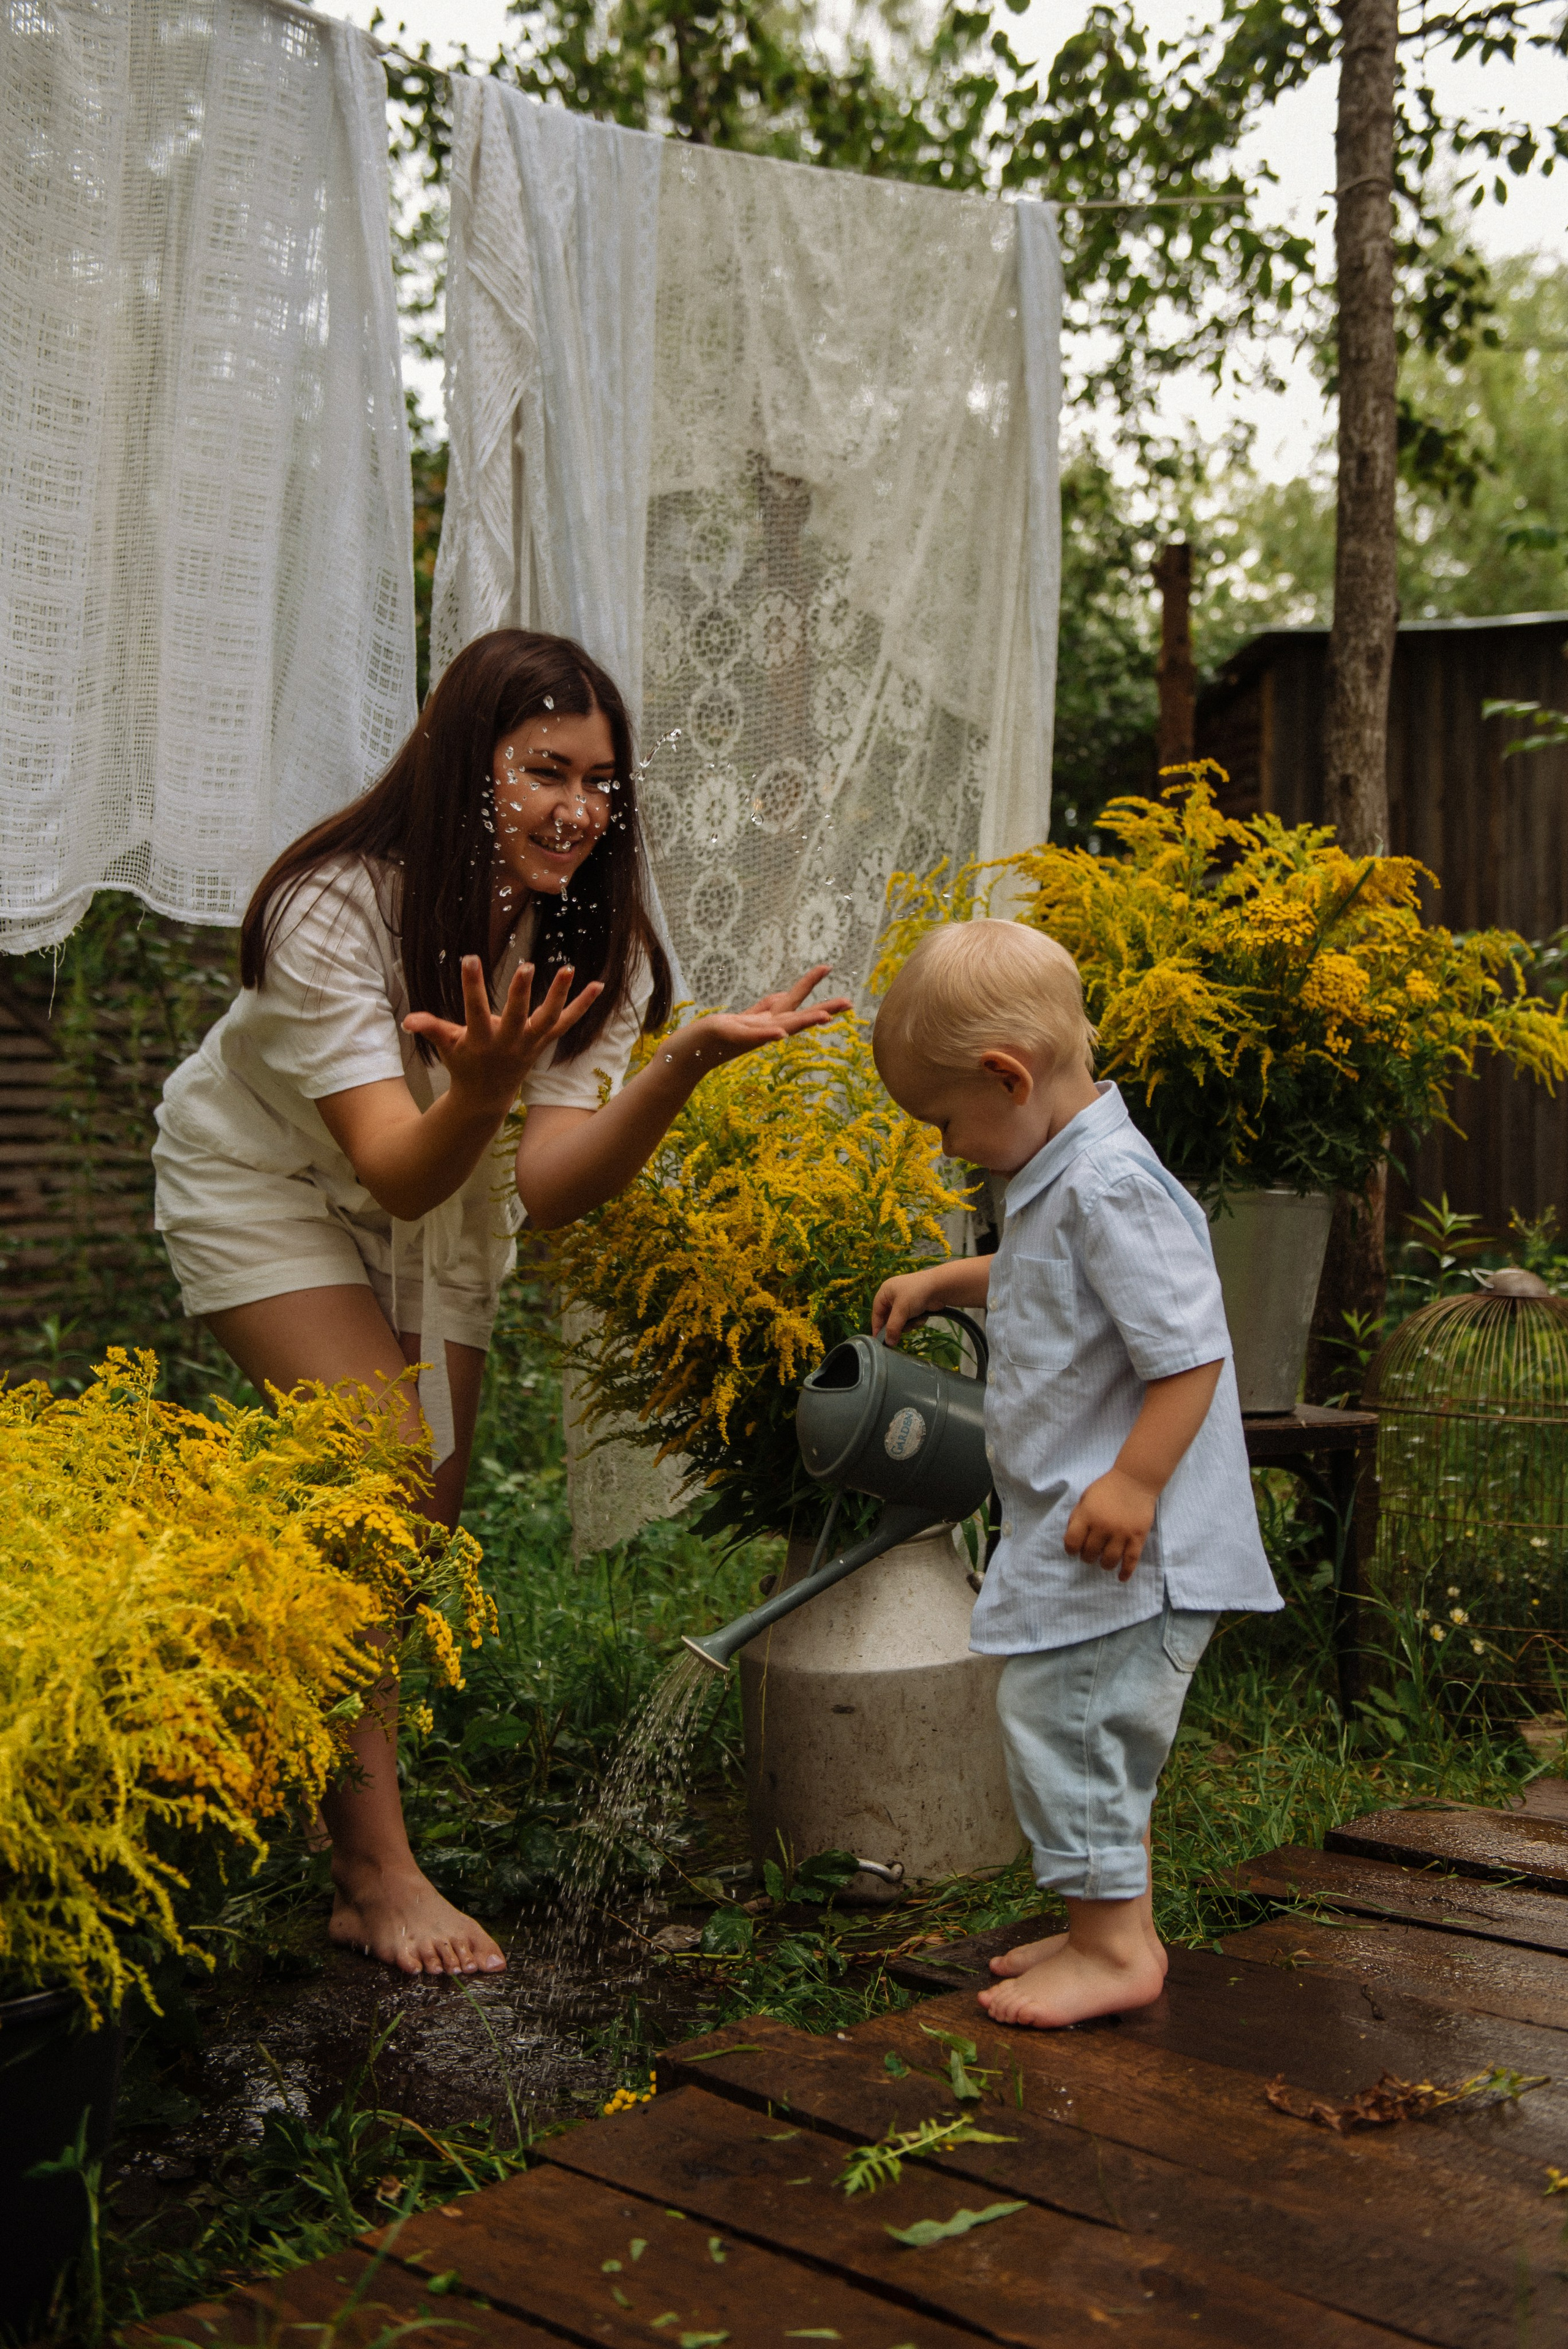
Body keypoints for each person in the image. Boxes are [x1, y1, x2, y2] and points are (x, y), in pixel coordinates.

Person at [153, 627, 848, 1980]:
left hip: (454, 1198)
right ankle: (370, 1867)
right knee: (379, 1465)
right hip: (271, 1180)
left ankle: (294, 1758)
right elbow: (390, 1170)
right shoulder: (334, 906)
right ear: (465, 763)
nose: (578, 810)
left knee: (421, 1508)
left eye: (600, 781)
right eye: (544, 769)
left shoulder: (595, 936)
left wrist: (683, 1062)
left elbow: (548, 1181)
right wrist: (472, 1091)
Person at [869, 919, 1280, 2029]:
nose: (948, 1146)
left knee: (1073, 1719)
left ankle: (1111, 1952)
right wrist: (952, 1280)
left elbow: (1191, 1352)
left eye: (946, 1120)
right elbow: (1054, 1278)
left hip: (1134, 1544)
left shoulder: (1109, 1186)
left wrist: (1135, 1481)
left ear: (1008, 1075)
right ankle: (1114, 1924)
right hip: (1096, 1539)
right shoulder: (1066, 1179)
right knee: (1084, 1718)